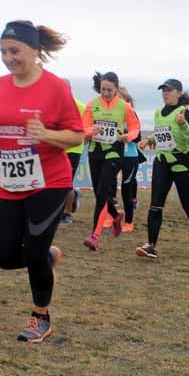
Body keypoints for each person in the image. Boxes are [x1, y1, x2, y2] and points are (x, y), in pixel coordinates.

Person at [0, 20, 84, 343]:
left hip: (49, 180)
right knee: (5, 255)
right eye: (3, 51)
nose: (8, 58)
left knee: (34, 251)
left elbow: (77, 133)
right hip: (10, 181)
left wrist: (47, 134)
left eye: (15, 51)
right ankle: (48, 257)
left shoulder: (55, 88)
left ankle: (41, 317)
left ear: (35, 51)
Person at [135, 78, 189, 259]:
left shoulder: (185, 113)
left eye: (169, 90)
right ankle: (151, 245)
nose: (165, 93)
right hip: (162, 162)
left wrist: (183, 124)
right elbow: (161, 135)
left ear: (178, 93)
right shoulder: (158, 113)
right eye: (163, 90)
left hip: (182, 163)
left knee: (188, 205)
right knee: (155, 205)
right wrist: (148, 141)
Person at [81, 71, 140, 251]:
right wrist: (92, 130)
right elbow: (83, 128)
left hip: (114, 152)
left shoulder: (124, 107)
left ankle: (95, 235)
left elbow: (135, 127)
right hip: (95, 152)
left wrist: (127, 136)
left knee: (101, 192)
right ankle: (115, 216)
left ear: (116, 88)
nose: (105, 93)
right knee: (98, 190)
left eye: (109, 90)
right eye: (102, 89)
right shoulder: (92, 105)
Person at [61, 85, 87, 225]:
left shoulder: (80, 106)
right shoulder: (55, 104)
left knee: (67, 183)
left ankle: (67, 214)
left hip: (74, 149)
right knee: (56, 183)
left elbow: (86, 127)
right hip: (58, 149)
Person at [117, 87, 142, 234]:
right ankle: (111, 216)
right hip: (113, 155)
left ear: (126, 101)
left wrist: (127, 135)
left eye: (120, 98)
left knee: (126, 189)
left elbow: (138, 136)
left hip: (130, 157)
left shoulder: (132, 114)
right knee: (106, 187)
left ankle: (128, 221)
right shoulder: (111, 114)